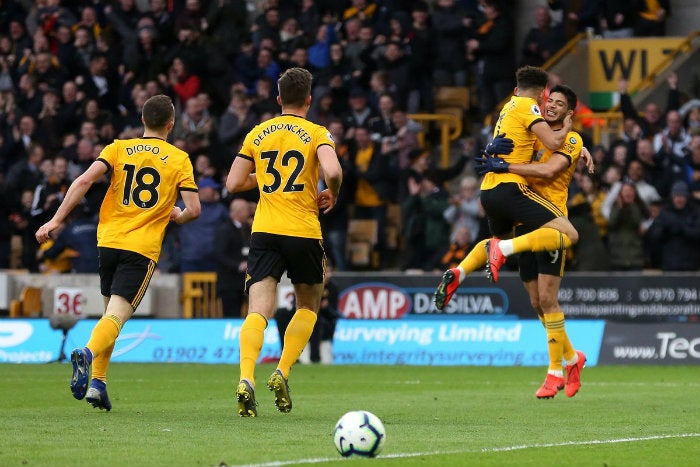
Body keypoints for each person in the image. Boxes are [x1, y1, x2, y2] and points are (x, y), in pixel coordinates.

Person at [35, 95, 201, 411]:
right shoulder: (179, 159)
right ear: (171, 124)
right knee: (117, 315)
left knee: (109, 313)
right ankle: (86, 353)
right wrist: (178, 215)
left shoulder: (118, 148)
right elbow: (194, 208)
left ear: (142, 120)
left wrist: (56, 219)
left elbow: (84, 180)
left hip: (108, 241)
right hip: (140, 247)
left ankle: (98, 383)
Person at [225, 67, 342, 417]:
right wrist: (330, 192)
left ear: (278, 99)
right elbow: (333, 171)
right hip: (303, 230)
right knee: (308, 306)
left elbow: (233, 183)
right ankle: (283, 371)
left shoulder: (258, 133)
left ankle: (247, 376)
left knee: (258, 310)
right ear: (309, 99)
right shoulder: (317, 132)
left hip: (264, 230)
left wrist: (266, 180)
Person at [476, 84, 589, 399]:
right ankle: (571, 357)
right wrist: (493, 152)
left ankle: (554, 373)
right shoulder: (535, 132)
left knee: (549, 299)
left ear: (569, 112)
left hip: (550, 223)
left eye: (559, 103)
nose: (551, 105)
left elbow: (550, 168)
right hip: (524, 221)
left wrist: (507, 166)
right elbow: (508, 146)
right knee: (537, 302)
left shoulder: (571, 139)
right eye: (549, 100)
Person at [434, 65, 577, 312]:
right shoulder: (527, 106)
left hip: (488, 192)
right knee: (569, 235)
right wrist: (569, 127)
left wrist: (579, 148)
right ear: (542, 95)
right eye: (548, 99)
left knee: (497, 242)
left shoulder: (507, 108)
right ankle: (501, 250)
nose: (549, 105)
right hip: (512, 189)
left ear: (514, 89)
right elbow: (554, 142)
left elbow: (514, 143)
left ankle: (461, 270)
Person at [214, 198, 252, 317]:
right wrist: (238, 265)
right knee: (231, 313)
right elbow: (219, 254)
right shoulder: (224, 230)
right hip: (229, 283)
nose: (249, 213)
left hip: (244, 282)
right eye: (246, 210)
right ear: (238, 212)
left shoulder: (248, 229)